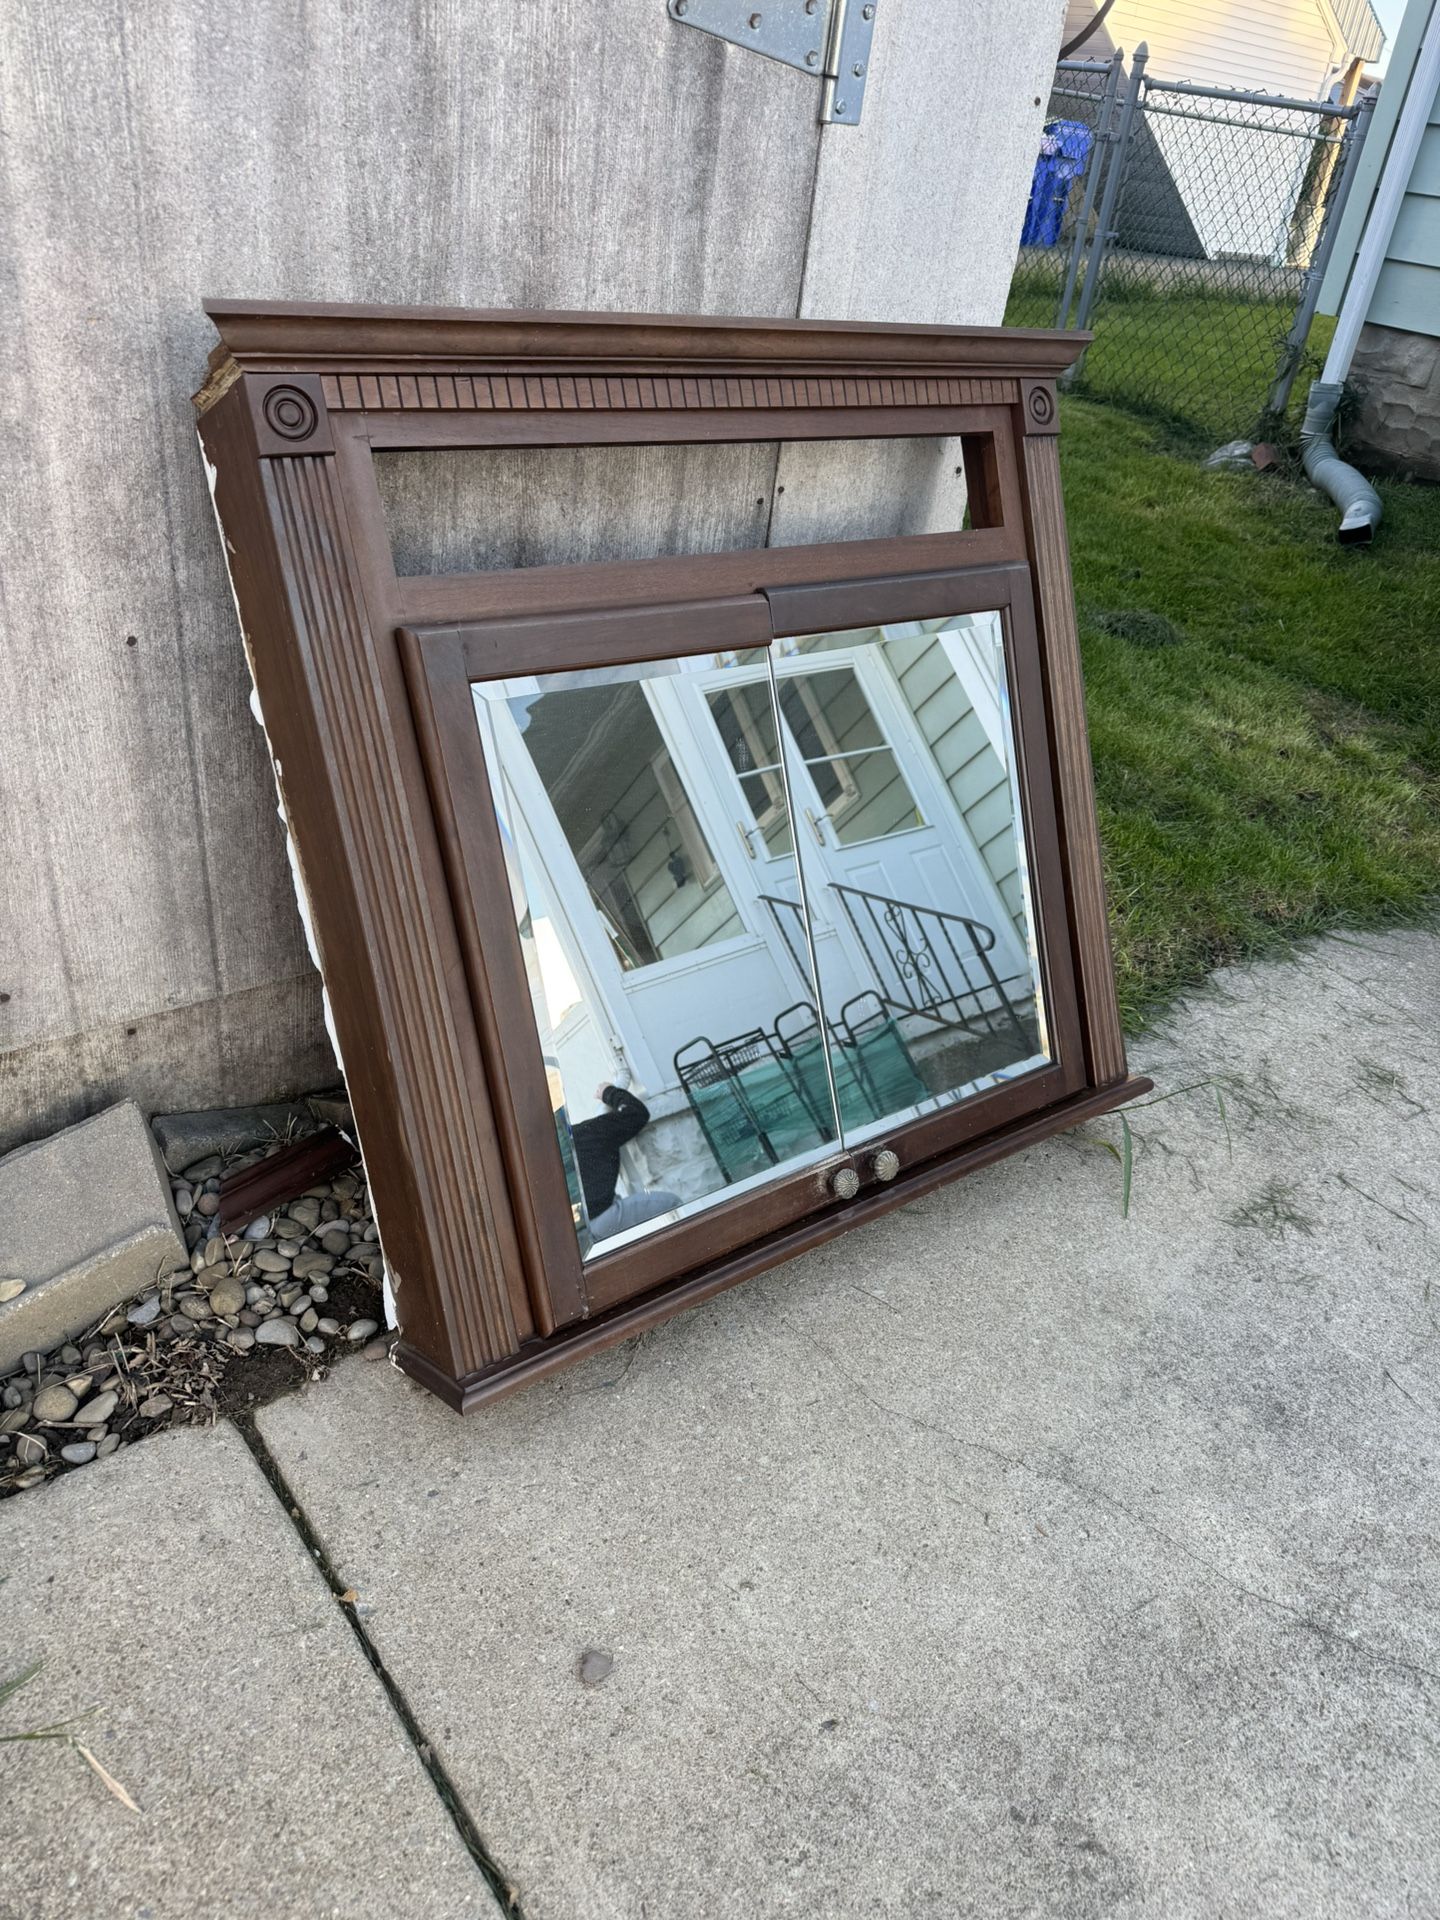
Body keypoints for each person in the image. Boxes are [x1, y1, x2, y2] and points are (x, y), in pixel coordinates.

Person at [571, 1083, 681, 1242]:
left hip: (574, 1238)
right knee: (673, 1205)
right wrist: (608, 1092)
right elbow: (636, 1113)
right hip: (602, 1220)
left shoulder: (540, 1162)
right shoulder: (583, 1133)